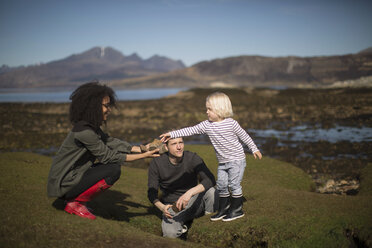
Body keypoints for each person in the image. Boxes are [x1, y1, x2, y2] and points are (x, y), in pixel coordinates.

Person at [47, 82, 159, 220]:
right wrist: (144, 156)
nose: (109, 109)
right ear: (93, 106)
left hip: (72, 177)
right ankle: (74, 203)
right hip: (65, 183)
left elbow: (109, 141)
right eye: (106, 105)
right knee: (113, 170)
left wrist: (142, 148)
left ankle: (75, 199)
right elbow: (108, 157)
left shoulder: (89, 127)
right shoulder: (85, 131)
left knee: (111, 167)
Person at [160, 92, 262, 222]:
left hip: (236, 160)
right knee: (221, 185)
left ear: (220, 109)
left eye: (209, 109)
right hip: (223, 162)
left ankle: (237, 210)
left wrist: (254, 149)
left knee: (234, 184)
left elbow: (245, 136)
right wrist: (171, 134)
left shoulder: (231, 123)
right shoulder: (206, 125)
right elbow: (190, 130)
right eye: (206, 109)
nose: (207, 112)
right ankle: (224, 210)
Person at [147, 137, 217, 238]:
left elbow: (210, 179)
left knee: (211, 191)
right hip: (173, 209)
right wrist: (162, 207)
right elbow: (151, 192)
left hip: (195, 203)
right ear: (166, 147)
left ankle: (208, 222)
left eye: (181, 142)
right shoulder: (157, 163)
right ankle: (184, 226)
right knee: (170, 235)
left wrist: (189, 193)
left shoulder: (192, 157)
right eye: (174, 144)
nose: (179, 147)